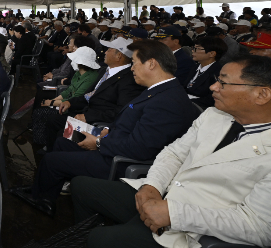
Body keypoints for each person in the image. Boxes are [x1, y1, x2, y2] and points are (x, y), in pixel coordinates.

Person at [71, 55, 271, 248]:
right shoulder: (214, 115)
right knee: (81, 186)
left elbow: (260, 227)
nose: (213, 87)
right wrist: (152, 186)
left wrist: (175, 214)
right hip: (164, 191)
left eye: (223, 83)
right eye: (216, 80)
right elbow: (174, 153)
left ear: (262, 94)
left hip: (195, 225)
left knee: (101, 238)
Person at [15, 40, 199, 218]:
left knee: (52, 160)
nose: (132, 68)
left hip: (120, 161)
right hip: (114, 141)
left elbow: (141, 148)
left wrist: (99, 142)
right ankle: (42, 188)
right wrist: (108, 131)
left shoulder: (167, 101)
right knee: (63, 142)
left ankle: (43, 200)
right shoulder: (158, 91)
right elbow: (133, 123)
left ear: (151, 64)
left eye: (134, 63)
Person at [43, 37, 144, 150]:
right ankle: (50, 153)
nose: (105, 52)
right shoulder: (104, 71)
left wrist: (88, 116)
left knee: (63, 136)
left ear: (119, 56)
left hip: (97, 123)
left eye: (109, 49)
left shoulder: (129, 80)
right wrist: (69, 102)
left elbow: (121, 112)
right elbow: (88, 95)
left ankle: (55, 160)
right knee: (53, 121)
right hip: (85, 113)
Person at [185, 36, 227, 108]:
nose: (192, 51)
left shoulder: (218, 72)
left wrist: (186, 100)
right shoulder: (195, 67)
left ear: (212, 54)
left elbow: (212, 99)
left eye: (197, 49)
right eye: (193, 48)